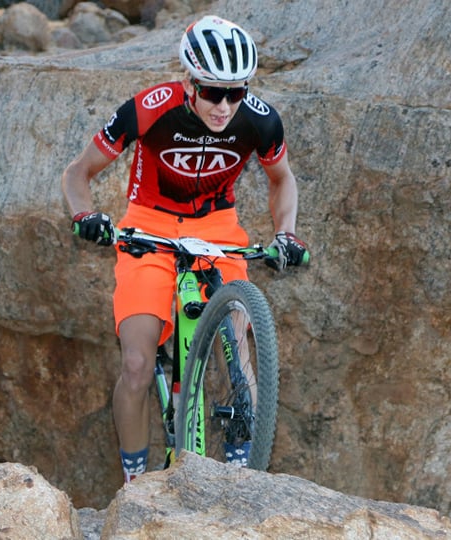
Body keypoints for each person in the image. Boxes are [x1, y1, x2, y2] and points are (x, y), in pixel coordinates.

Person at [61, 15, 307, 483]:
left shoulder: (259, 120)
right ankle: (134, 481)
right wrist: (84, 215)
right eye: (212, 91)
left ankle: (241, 471)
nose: (223, 105)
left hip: (216, 228)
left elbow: (282, 179)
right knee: (135, 363)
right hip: (149, 226)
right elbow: (77, 173)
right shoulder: (150, 108)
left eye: (235, 92)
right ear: (189, 81)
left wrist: (288, 233)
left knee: (237, 341)